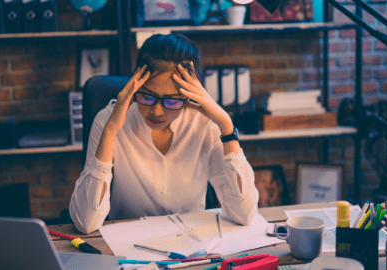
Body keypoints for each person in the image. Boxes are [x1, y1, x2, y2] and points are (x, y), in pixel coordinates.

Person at [69, 34, 259, 234]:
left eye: (172, 100)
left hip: (193, 245)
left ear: (189, 94)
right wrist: (111, 129)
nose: (157, 112)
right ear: (136, 85)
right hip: (129, 243)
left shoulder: (205, 124)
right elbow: (86, 222)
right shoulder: (109, 120)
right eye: (147, 96)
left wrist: (226, 126)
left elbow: (243, 214)